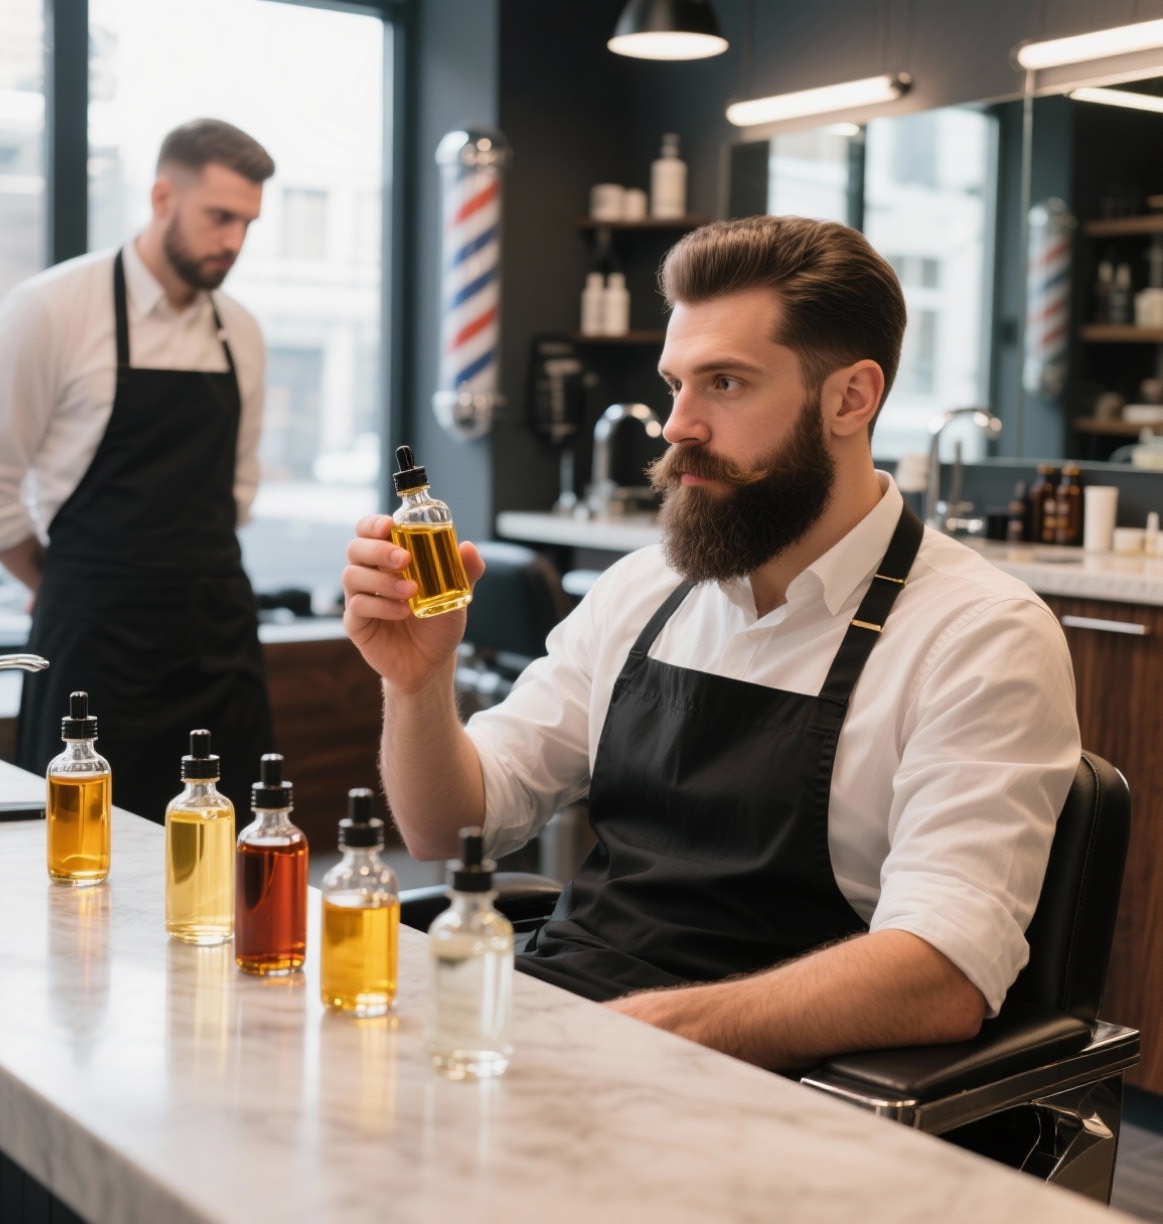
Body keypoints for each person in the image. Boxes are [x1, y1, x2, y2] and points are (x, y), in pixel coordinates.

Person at [343, 215, 1081, 1070]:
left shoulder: (977, 637)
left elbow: (942, 971)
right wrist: (419, 684)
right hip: (555, 1027)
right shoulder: (644, 588)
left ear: (851, 397)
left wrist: (639, 1036)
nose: (675, 426)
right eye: (675, 384)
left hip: (765, 1090)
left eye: (724, 383)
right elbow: (450, 824)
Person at [0, 118, 276, 822]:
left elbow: (237, 493)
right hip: (97, 643)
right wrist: (61, 581)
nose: (234, 242)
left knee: (235, 850)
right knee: (83, 861)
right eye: (219, 217)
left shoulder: (241, 332)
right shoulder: (52, 309)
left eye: (247, 223)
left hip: (217, 639)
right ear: (162, 196)